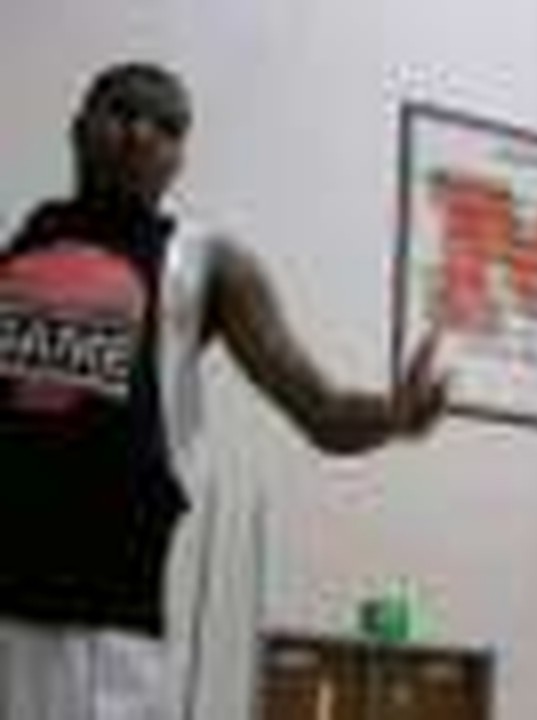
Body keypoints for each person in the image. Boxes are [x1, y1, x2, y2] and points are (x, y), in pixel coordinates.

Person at [0, 63, 446, 719]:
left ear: (180, 158)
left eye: (168, 126)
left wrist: (394, 415)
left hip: (97, 624)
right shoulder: (16, 252)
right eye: (123, 111)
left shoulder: (209, 263)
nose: (142, 132)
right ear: (78, 127)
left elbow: (320, 412)